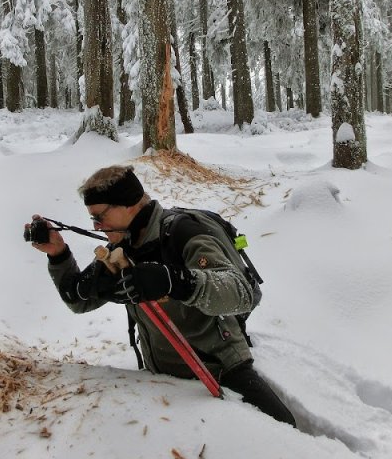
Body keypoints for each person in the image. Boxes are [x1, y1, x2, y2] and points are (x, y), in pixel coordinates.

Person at [29, 164, 295, 426]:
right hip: (166, 383)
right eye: (93, 219)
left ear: (129, 204)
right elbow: (79, 299)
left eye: (100, 216)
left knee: (284, 429)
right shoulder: (123, 247)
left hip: (219, 371)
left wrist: (175, 281)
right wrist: (58, 254)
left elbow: (239, 291)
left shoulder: (183, 234)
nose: (98, 226)